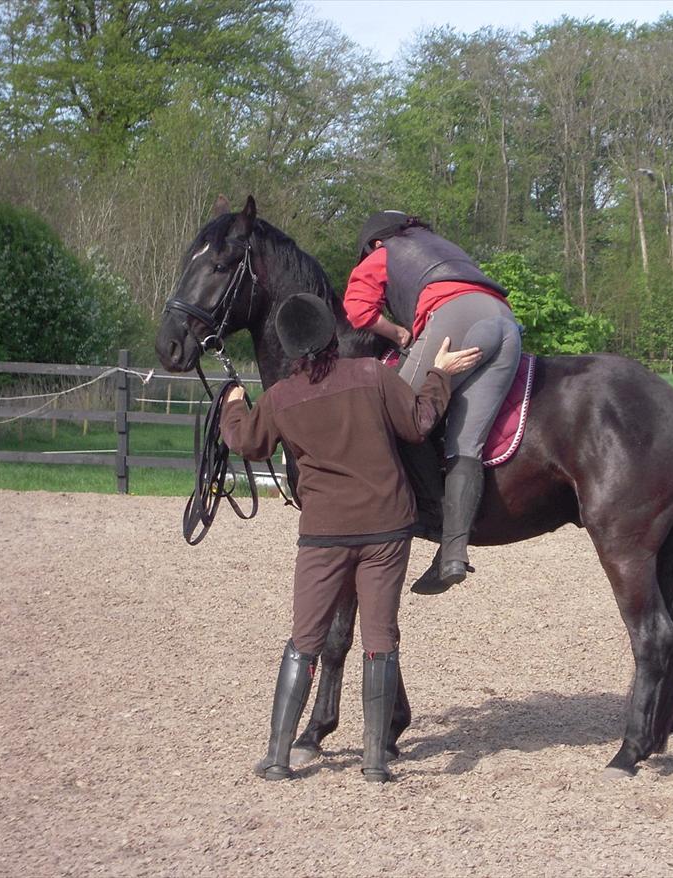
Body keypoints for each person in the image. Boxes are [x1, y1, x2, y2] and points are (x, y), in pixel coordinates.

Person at [220, 293, 481, 782]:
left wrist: (233, 406)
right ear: (329, 336)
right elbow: (419, 423)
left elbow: (247, 443)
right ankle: (376, 761)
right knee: (380, 639)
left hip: (323, 536)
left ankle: (278, 757)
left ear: (290, 347)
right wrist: (439, 373)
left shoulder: (279, 397)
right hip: (386, 528)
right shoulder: (372, 375)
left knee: (305, 639)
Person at [343, 211, 522, 592]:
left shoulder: (384, 252)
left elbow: (357, 311)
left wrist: (398, 332)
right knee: (465, 441)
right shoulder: (446, 248)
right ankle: (453, 554)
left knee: (396, 413)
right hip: (505, 323)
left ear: (375, 243)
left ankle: (427, 514)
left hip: (456, 317)